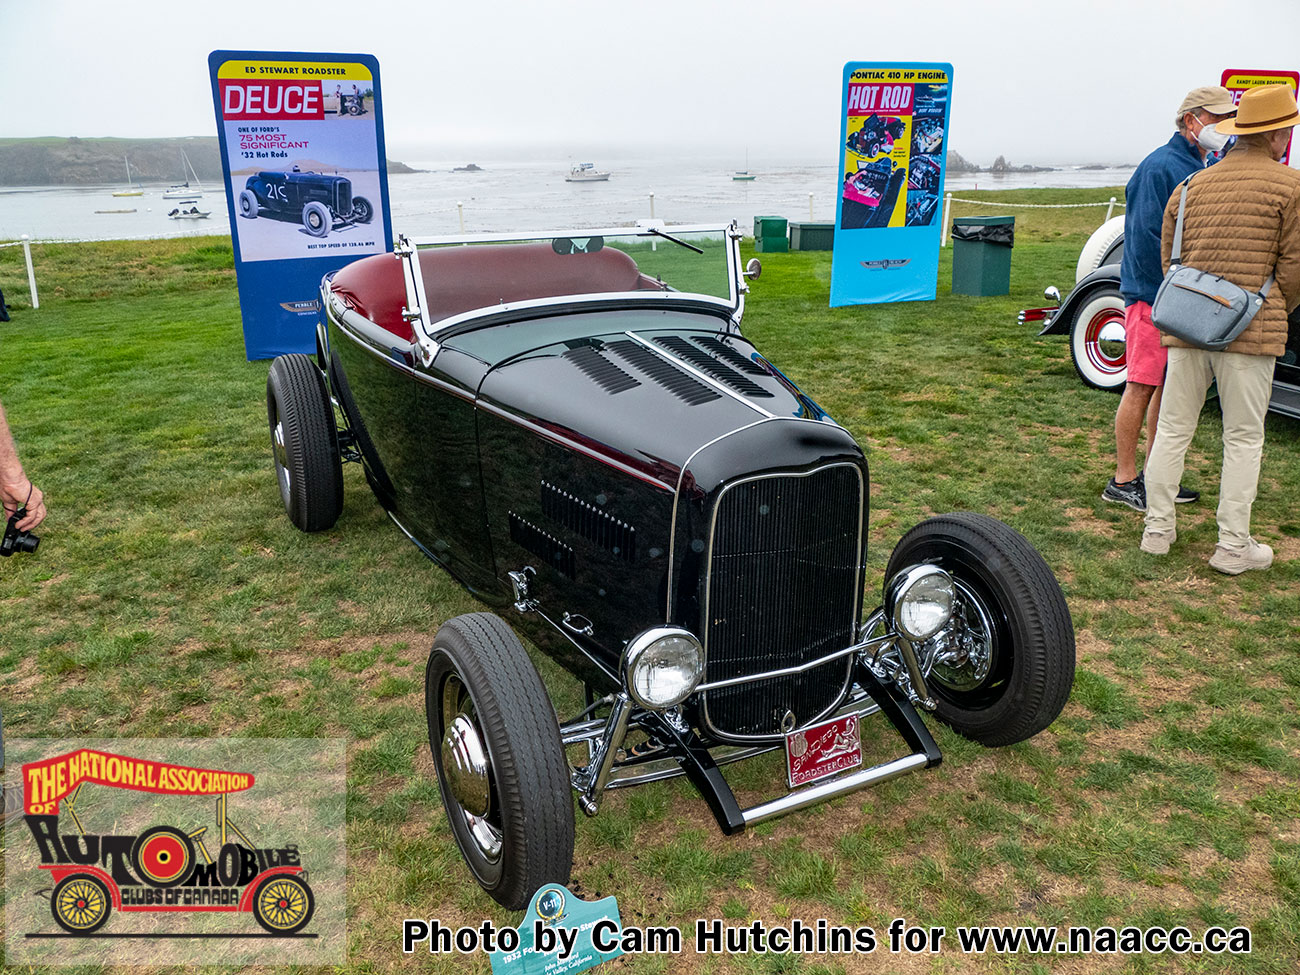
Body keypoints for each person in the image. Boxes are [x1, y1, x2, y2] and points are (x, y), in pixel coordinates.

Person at [1141, 84, 1300, 573]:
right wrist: (1272, 306)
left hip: (1188, 325)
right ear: (1277, 133)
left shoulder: (1191, 185)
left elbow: (1171, 257)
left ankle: (1157, 529)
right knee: (1244, 438)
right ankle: (1232, 546)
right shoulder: (1290, 187)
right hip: (1252, 329)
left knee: (1172, 429)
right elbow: (1294, 269)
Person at [1103, 86, 1238, 511]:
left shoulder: (1200, 161)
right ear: (1191, 120)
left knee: (1165, 389)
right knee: (1141, 386)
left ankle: (1158, 476)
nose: (1221, 127)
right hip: (1152, 298)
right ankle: (1124, 481)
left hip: (1179, 296)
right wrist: (1165, 291)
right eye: (1215, 119)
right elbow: (1144, 237)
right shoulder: (1161, 166)